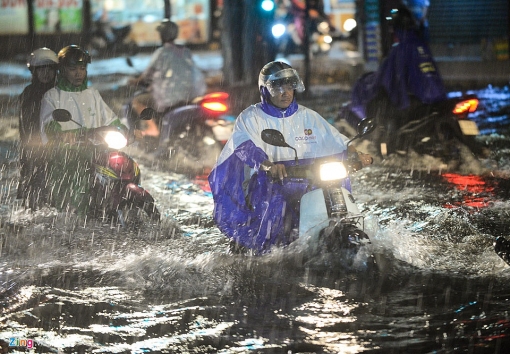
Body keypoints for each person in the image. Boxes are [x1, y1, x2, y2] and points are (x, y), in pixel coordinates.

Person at [208, 61, 373, 254]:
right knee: (274, 216)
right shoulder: (251, 118)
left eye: (289, 87)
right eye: (278, 88)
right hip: (270, 184)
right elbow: (244, 146)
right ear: (265, 90)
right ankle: (273, 256)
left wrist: (357, 154)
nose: (285, 93)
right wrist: (268, 166)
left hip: (310, 182)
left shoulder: (308, 116)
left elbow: (337, 141)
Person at [39, 44, 126, 213]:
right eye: (73, 69)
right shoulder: (52, 97)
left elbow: (110, 118)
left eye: (82, 68)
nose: (78, 73)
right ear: (63, 70)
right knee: (77, 199)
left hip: (97, 152)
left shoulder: (92, 93)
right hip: (67, 158)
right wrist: (64, 136)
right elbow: (49, 125)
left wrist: (126, 130)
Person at [127, 19, 206, 137]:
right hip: (191, 94)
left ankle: (152, 128)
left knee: (137, 101)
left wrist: (134, 81)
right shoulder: (185, 51)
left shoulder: (161, 52)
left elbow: (147, 75)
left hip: (169, 97)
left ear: (162, 35)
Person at [17, 47, 58, 208]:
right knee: (35, 182)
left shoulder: (61, 92)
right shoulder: (28, 94)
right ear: (34, 71)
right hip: (36, 148)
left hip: (59, 145)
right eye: (41, 69)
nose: (46, 73)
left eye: (50, 68)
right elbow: (26, 125)